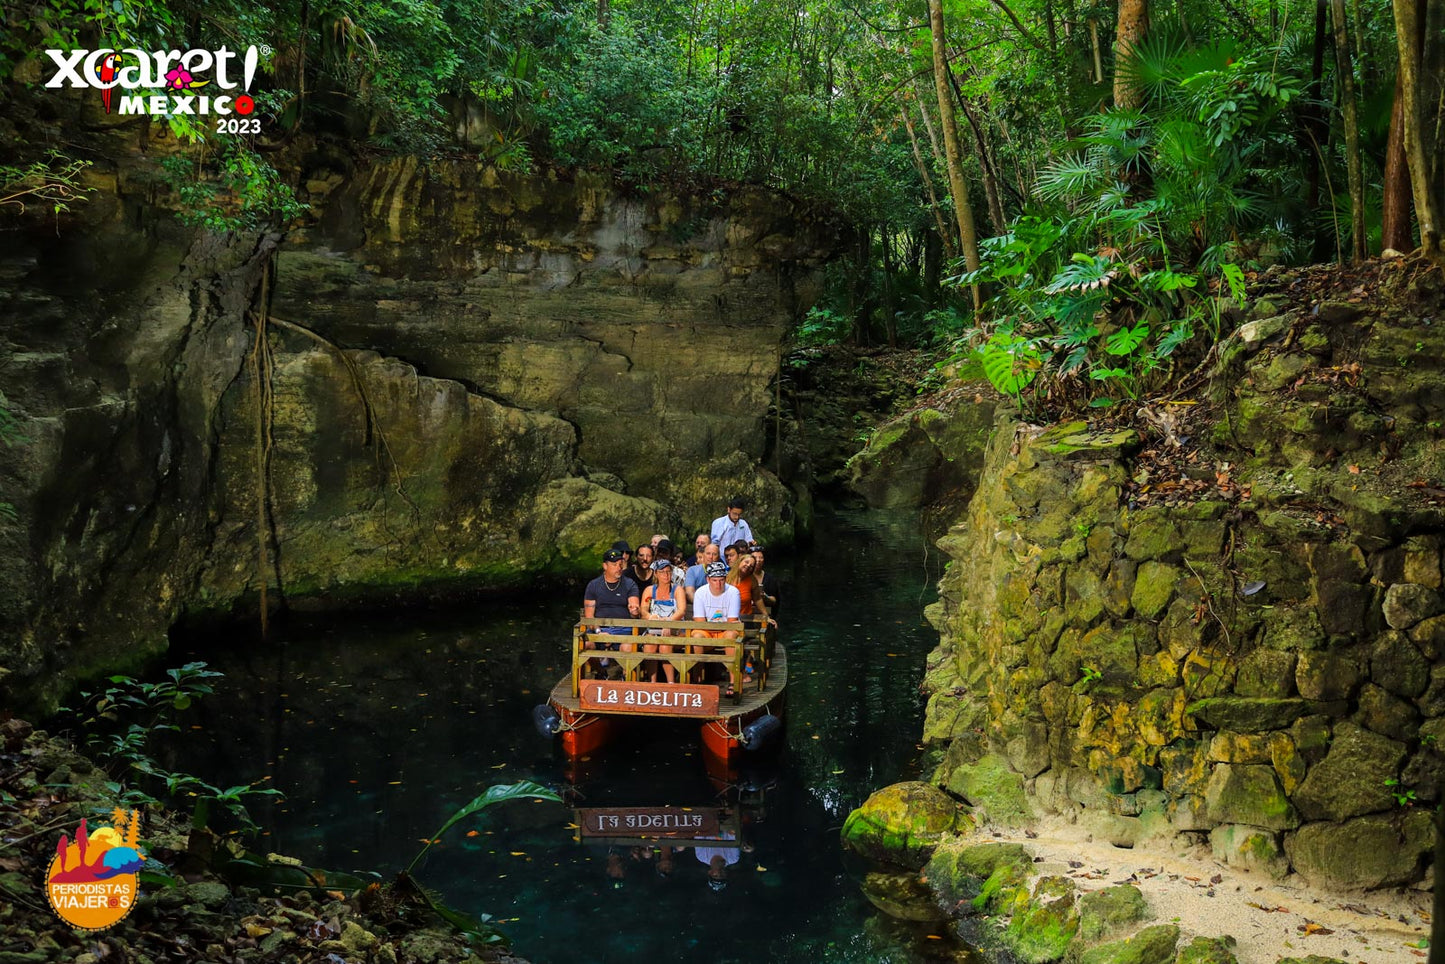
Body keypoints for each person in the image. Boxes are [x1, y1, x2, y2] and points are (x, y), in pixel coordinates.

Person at [583, 547, 640, 676]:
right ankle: (600, 671)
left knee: (628, 648)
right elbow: (589, 617)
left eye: (620, 564)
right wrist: (599, 632)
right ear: (605, 566)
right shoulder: (594, 585)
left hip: (623, 630)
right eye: (614, 565)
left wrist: (634, 610)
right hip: (600, 629)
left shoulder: (629, 584)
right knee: (586, 645)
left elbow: (634, 604)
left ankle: (626, 677)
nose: (618, 567)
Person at [690, 561, 742, 696]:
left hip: (726, 631)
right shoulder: (700, 592)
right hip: (706, 630)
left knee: (731, 637)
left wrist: (717, 627)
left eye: (721, 580)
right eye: (715, 580)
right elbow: (699, 621)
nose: (718, 584)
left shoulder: (733, 592)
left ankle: (733, 681)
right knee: (696, 638)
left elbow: (732, 620)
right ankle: (698, 680)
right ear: (708, 579)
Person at [640, 558, 684, 683]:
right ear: (656, 574)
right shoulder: (649, 590)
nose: (666, 575)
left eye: (669, 571)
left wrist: (668, 622)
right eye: (662, 572)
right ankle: (652, 682)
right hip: (654, 630)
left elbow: (681, 611)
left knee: (665, 646)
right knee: (649, 645)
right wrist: (649, 616)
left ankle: (670, 682)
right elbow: (643, 610)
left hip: (674, 630)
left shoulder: (677, 590)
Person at [751, 545, 779, 616]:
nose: (758, 560)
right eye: (755, 558)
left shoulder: (770, 578)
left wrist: (765, 596)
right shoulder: (745, 577)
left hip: (765, 612)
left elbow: (774, 600)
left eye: (761, 557)